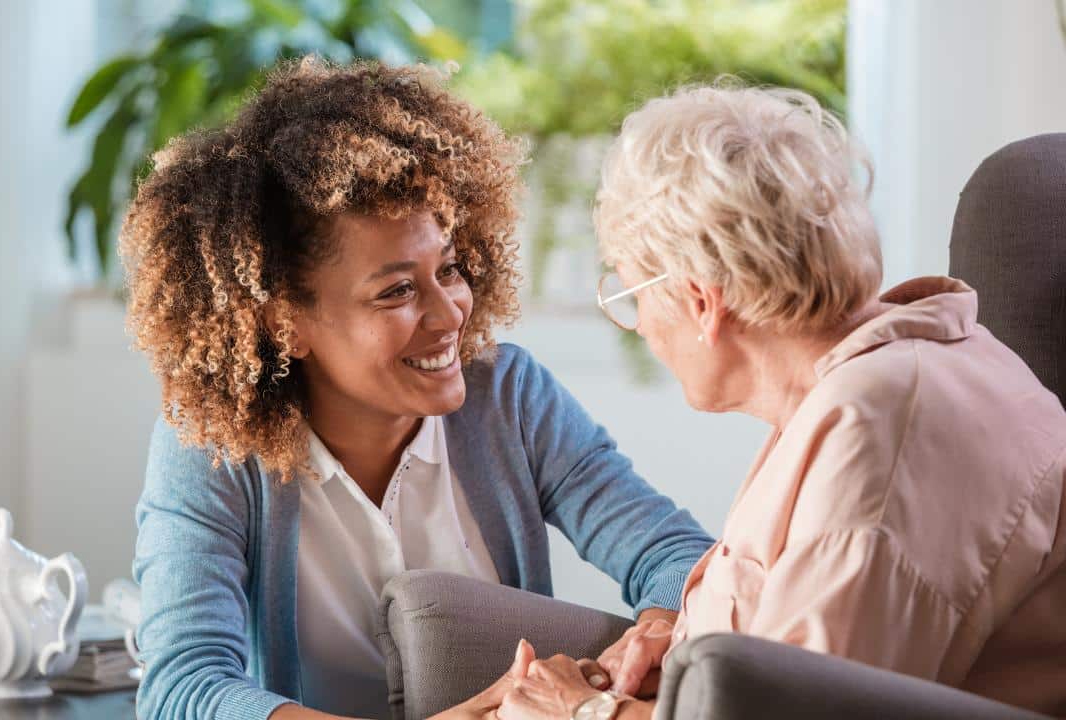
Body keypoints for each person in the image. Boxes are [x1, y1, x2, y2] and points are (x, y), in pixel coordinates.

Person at [121, 58, 714, 720]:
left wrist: (653, 636)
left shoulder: (510, 399)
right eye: (397, 290)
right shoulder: (211, 448)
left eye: (450, 269)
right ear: (285, 322)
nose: (450, 313)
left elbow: (677, 555)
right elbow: (183, 689)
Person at [493, 83, 1066, 719]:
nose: (643, 328)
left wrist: (585, 713)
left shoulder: (878, 435)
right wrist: (687, 651)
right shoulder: (877, 378)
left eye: (632, 296)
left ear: (699, 300)